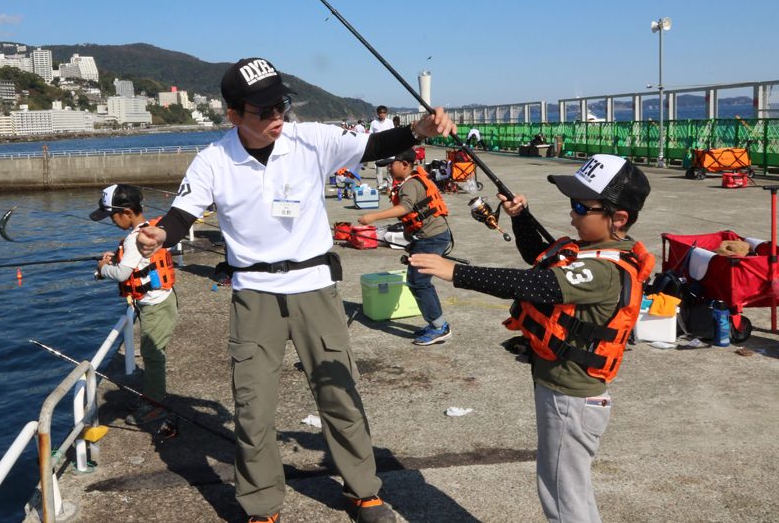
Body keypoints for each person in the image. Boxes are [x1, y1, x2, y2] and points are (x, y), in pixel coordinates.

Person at [136, 57, 456, 523]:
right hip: (254, 294)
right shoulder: (213, 160)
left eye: (280, 104)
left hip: (314, 287)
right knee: (252, 409)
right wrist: (160, 236)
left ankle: (363, 491)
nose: (276, 117)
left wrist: (420, 130)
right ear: (233, 115)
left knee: (339, 395)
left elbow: (375, 144)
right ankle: (262, 506)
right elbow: (182, 215)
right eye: (263, 110)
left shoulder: (311, 139)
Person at [410, 154, 654, 523]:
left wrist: (455, 272)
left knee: (562, 498)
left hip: (570, 400)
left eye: (580, 206)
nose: (571, 214)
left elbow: (536, 285)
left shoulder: (603, 269)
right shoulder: (591, 250)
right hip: (566, 394)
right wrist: (520, 218)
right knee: (572, 490)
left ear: (618, 218)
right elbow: (541, 260)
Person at [91, 184, 179, 430]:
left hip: (156, 306)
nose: (112, 221)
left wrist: (101, 269)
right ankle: (153, 396)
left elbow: (122, 274)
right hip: (161, 301)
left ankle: (156, 405)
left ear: (126, 213)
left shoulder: (132, 240)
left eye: (112, 216)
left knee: (152, 356)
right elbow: (138, 263)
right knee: (152, 354)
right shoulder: (149, 230)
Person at [357, 148, 453, 345]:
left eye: (391, 165)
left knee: (419, 281)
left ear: (405, 164)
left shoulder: (410, 185)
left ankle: (439, 327)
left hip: (433, 238)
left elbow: (406, 208)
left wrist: (372, 217)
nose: (389, 169)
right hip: (427, 237)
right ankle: (435, 324)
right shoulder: (409, 182)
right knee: (416, 279)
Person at [369, 106, 396, 189]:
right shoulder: (374, 122)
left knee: (390, 168)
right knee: (379, 168)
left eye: (384, 112)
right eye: (380, 112)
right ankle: (379, 184)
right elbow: (371, 134)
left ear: (386, 113)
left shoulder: (389, 122)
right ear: (378, 113)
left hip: (389, 147)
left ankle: (389, 185)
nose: (382, 114)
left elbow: (393, 133)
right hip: (379, 148)